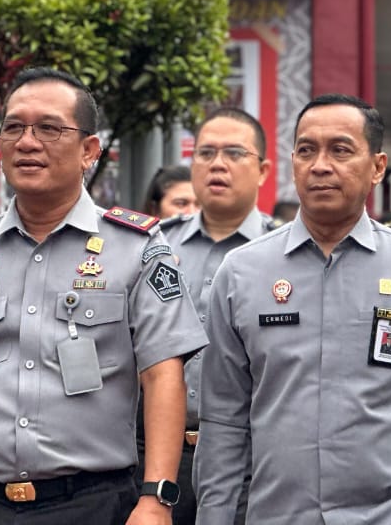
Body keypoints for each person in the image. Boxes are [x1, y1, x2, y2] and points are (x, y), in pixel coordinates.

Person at [0, 67, 208, 525]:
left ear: (89, 150)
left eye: (49, 128)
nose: (27, 142)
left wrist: (155, 499)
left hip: (89, 505)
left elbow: (162, 375)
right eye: (13, 127)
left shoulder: (137, 249)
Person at [193, 94, 391, 525]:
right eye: (307, 151)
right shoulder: (243, 272)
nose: (320, 165)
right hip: (277, 514)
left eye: (340, 150)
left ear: (377, 167)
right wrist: (215, 515)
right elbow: (224, 416)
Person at [157, 107, 275, 525]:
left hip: (250, 459)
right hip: (158, 456)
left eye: (233, 153)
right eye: (205, 153)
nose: (217, 164)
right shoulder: (154, 246)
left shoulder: (283, 256)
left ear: (262, 171)